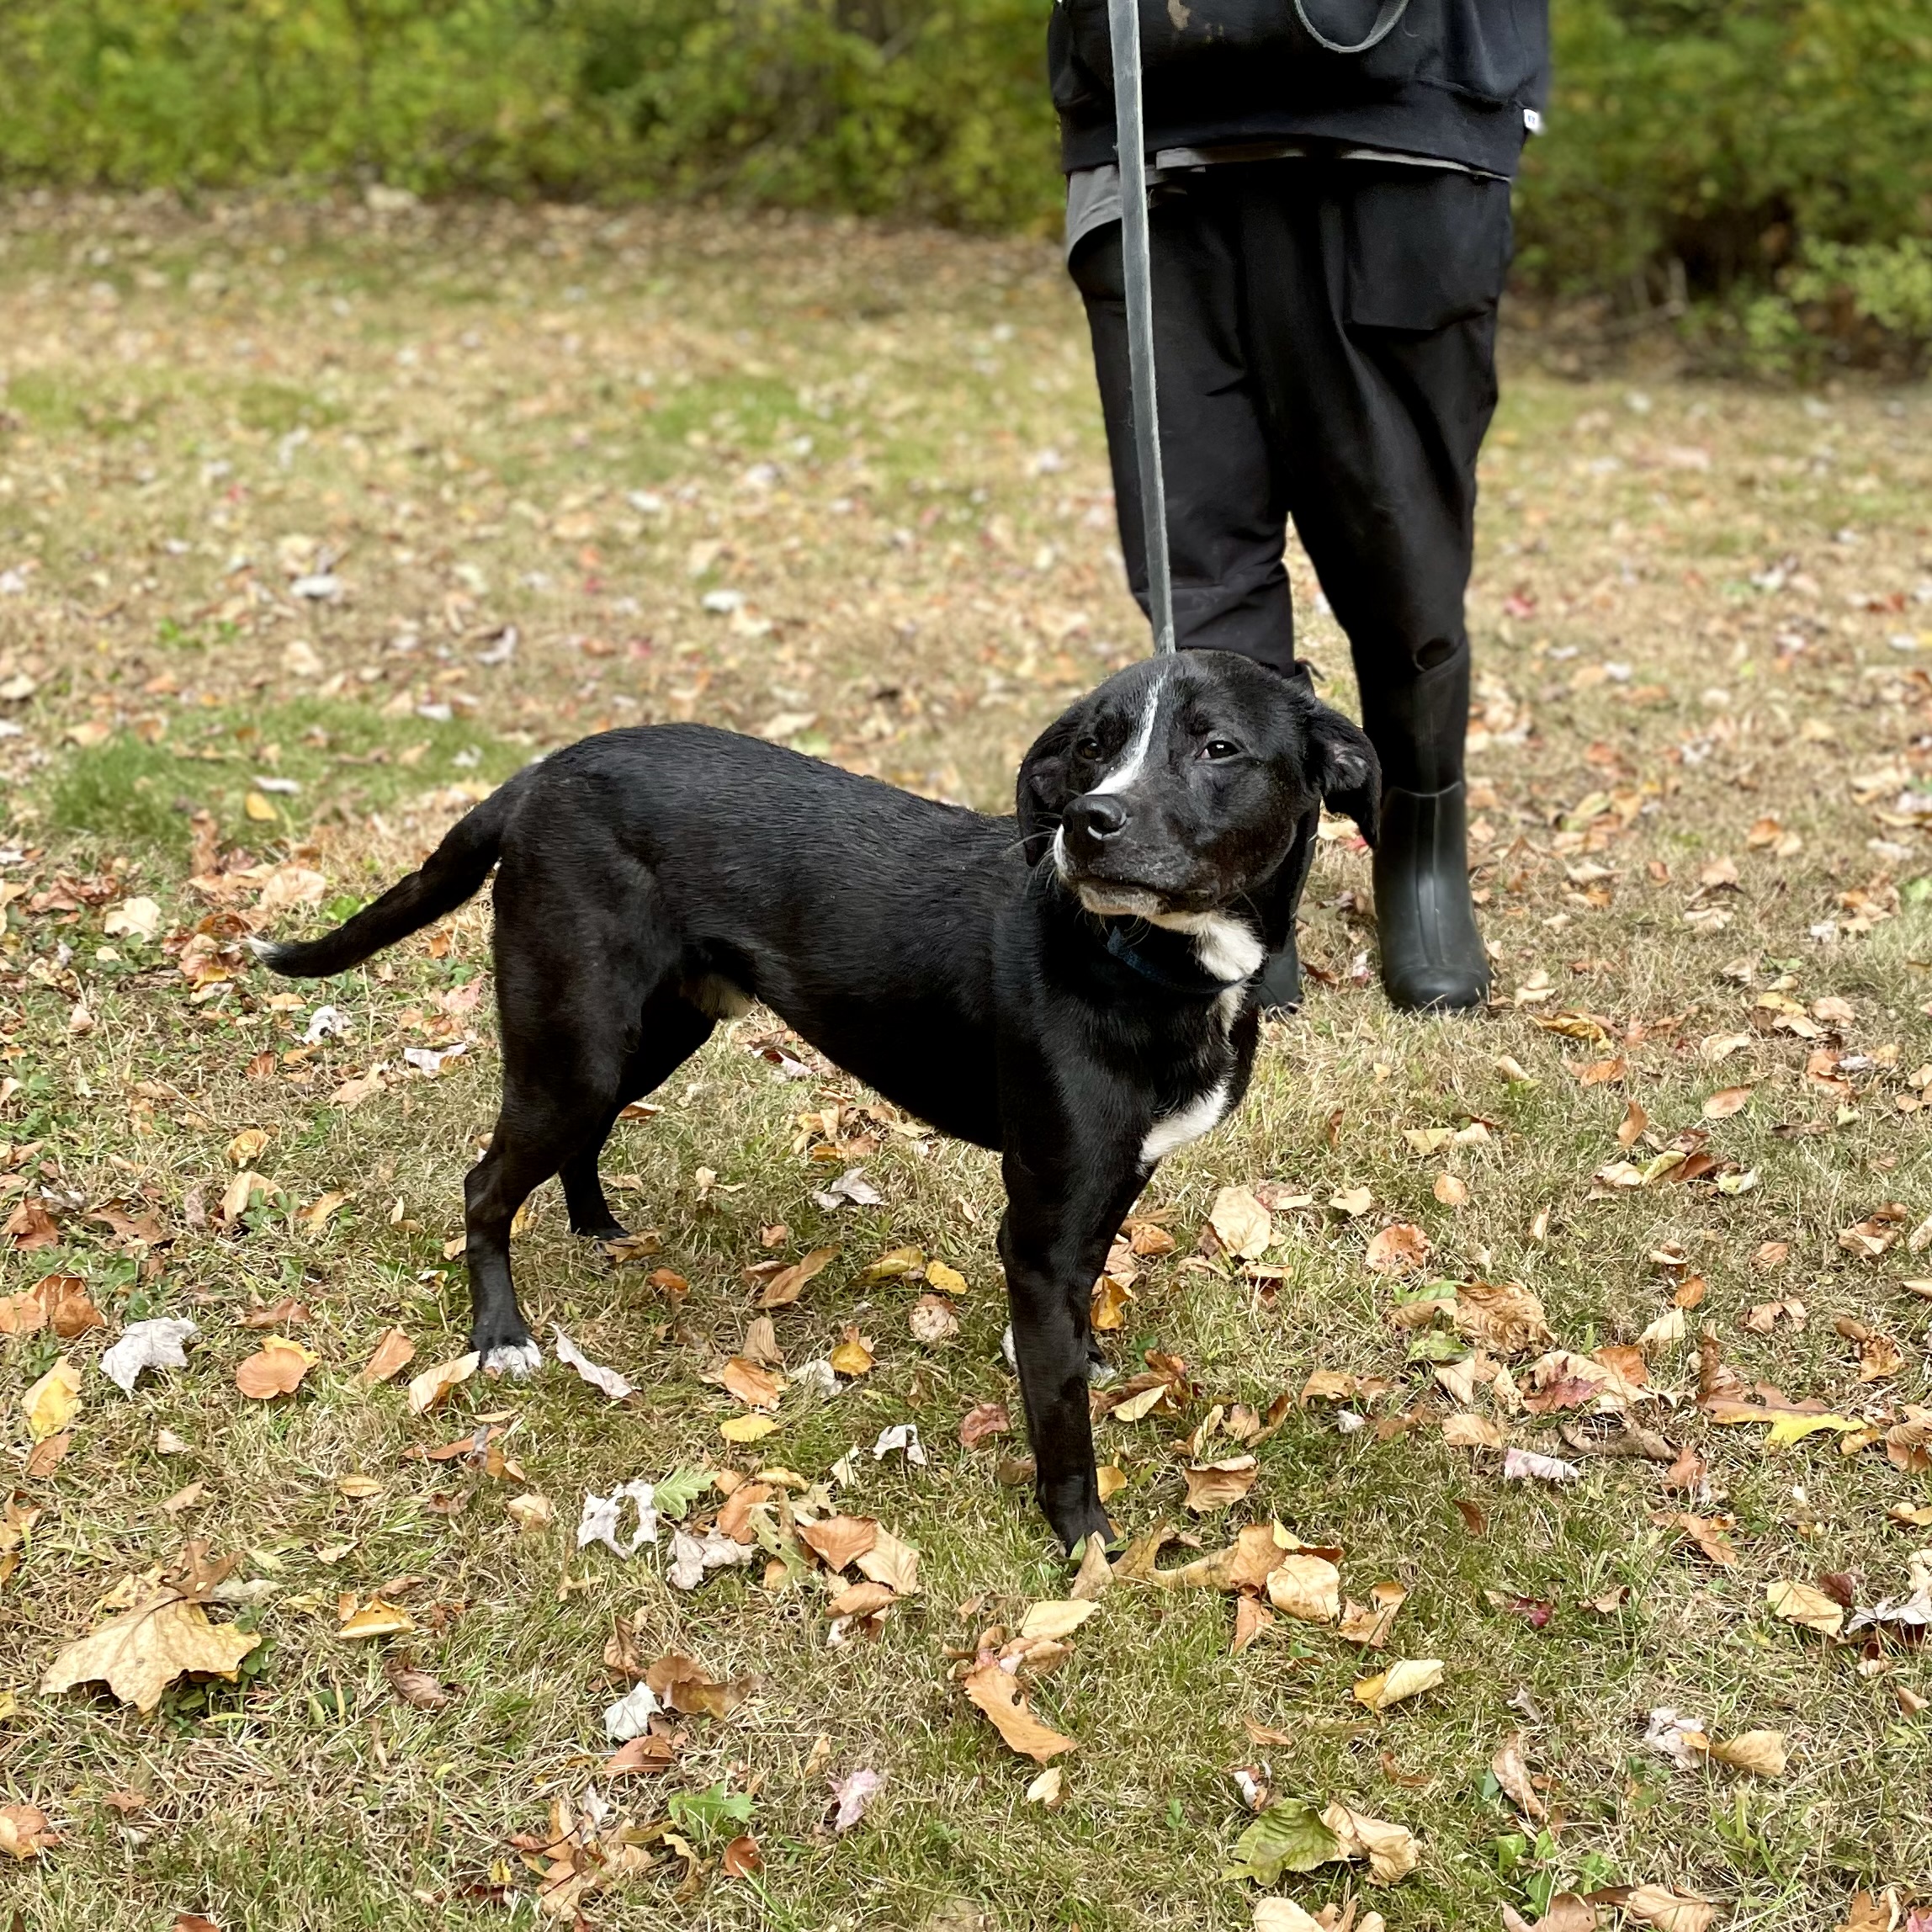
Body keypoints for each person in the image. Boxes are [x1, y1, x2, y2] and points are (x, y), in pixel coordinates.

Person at [1048, 0, 1549, 1011]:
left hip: (1405, 125)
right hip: (1155, 122)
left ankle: (1420, 849)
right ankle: (1236, 859)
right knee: (1196, 555)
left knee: (1403, 557)